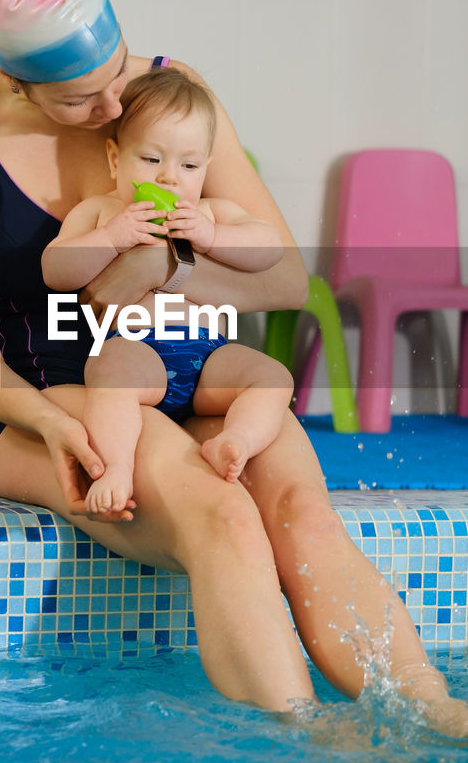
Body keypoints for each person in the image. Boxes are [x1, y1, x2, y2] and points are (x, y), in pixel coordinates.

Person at [0, 0, 468, 747]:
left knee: (299, 508)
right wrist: (56, 426)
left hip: (186, 365)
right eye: (78, 100)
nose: (112, 107)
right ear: (18, 84)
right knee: (221, 513)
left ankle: (426, 701)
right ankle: (302, 728)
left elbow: (279, 282)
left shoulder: (168, 92)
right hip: (57, 401)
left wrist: (157, 280)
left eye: (116, 74)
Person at [41, 65, 294, 515]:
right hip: (138, 352)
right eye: (152, 160)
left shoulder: (213, 215)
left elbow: (271, 248)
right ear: (116, 160)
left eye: (189, 165)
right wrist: (113, 238)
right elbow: (54, 270)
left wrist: (212, 238)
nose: (169, 179)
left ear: (206, 169)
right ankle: (116, 467)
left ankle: (235, 441)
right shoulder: (102, 213)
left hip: (209, 358)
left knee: (273, 378)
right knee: (110, 370)